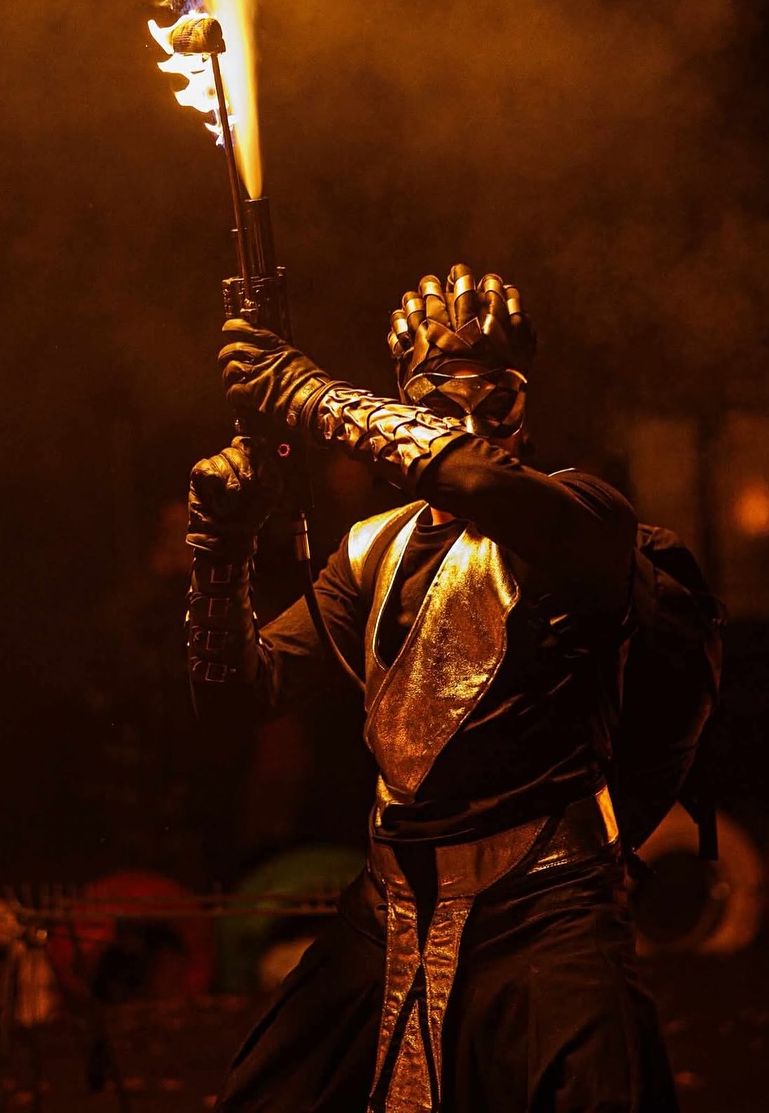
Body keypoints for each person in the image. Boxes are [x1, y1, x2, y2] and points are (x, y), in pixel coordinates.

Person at [185, 265, 680, 1113]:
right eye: (441, 400)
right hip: (388, 909)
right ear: (408, 401)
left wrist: (306, 395)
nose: (471, 422)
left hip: (546, 909)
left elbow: (481, 483)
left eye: (498, 399)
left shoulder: (581, 517)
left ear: (526, 404)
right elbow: (234, 702)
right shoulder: (370, 549)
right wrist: (222, 548)